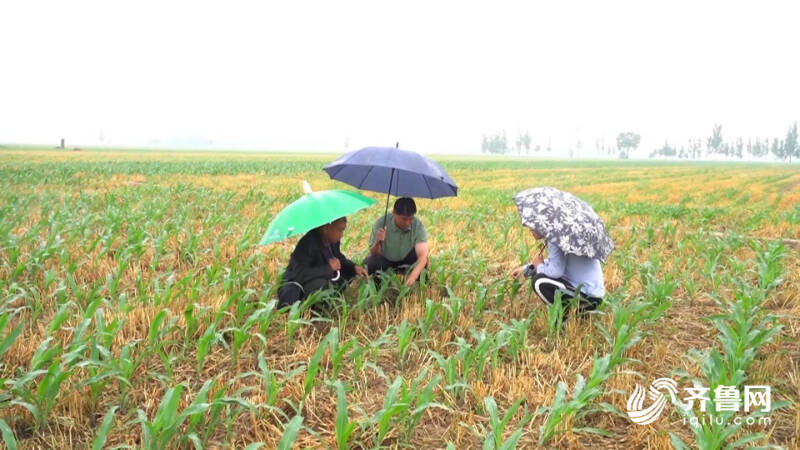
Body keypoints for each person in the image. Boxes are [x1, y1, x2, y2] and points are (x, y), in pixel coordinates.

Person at [510, 227, 605, 315]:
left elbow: (555, 271)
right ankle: (579, 311)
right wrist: (525, 268)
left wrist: (538, 266)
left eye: (534, 225)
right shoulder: (561, 234)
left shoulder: (554, 238)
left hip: (587, 296)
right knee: (540, 273)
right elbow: (555, 262)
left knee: (539, 281)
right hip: (593, 295)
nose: (530, 228)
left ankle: (562, 317)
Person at [277, 217, 367, 308]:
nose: (341, 235)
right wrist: (328, 268)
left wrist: (354, 267)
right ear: (326, 228)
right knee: (321, 285)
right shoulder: (308, 244)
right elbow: (300, 274)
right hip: (301, 284)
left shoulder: (332, 241)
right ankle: (312, 308)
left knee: (348, 273)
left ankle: (329, 298)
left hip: (323, 276)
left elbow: (339, 258)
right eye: (340, 230)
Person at [364, 197, 429, 286]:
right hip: (385, 260)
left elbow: (423, 256)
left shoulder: (418, 225)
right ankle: (377, 289)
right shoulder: (381, 224)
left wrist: (413, 277)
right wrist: (377, 241)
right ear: (394, 213)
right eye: (404, 219)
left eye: (410, 218)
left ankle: (420, 289)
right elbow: (374, 253)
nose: (407, 222)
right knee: (371, 263)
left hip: (406, 259)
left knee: (423, 265)